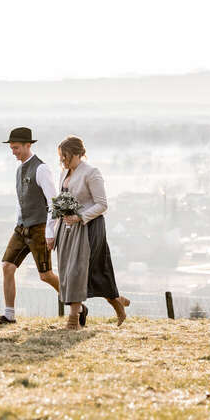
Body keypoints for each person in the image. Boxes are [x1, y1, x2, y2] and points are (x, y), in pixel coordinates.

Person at [53, 135, 130, 329]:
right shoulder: (64, 173)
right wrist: (55, 229)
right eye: (61, 156)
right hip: (67, 229)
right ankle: (117, 302)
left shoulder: (91, 173)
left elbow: (102, 204)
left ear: (78, 154)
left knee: (77, 271)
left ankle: (73, 321)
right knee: (73, 272)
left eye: (66, 156)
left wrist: (80, 217)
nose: (63, 160)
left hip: (89, 228)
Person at [0, 127, 60, 324]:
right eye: (12, 148)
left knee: (46, 275)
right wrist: (18, 221)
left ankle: (77, 305)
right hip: (21, 228)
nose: (13, 151)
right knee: (7, 266)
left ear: (28, 145)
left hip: (39, 228)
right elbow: (21, 200)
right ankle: (9, 315)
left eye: (16, 148)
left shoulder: (41, 169)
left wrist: (50, 231)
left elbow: (54, 202)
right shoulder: (19, 169)